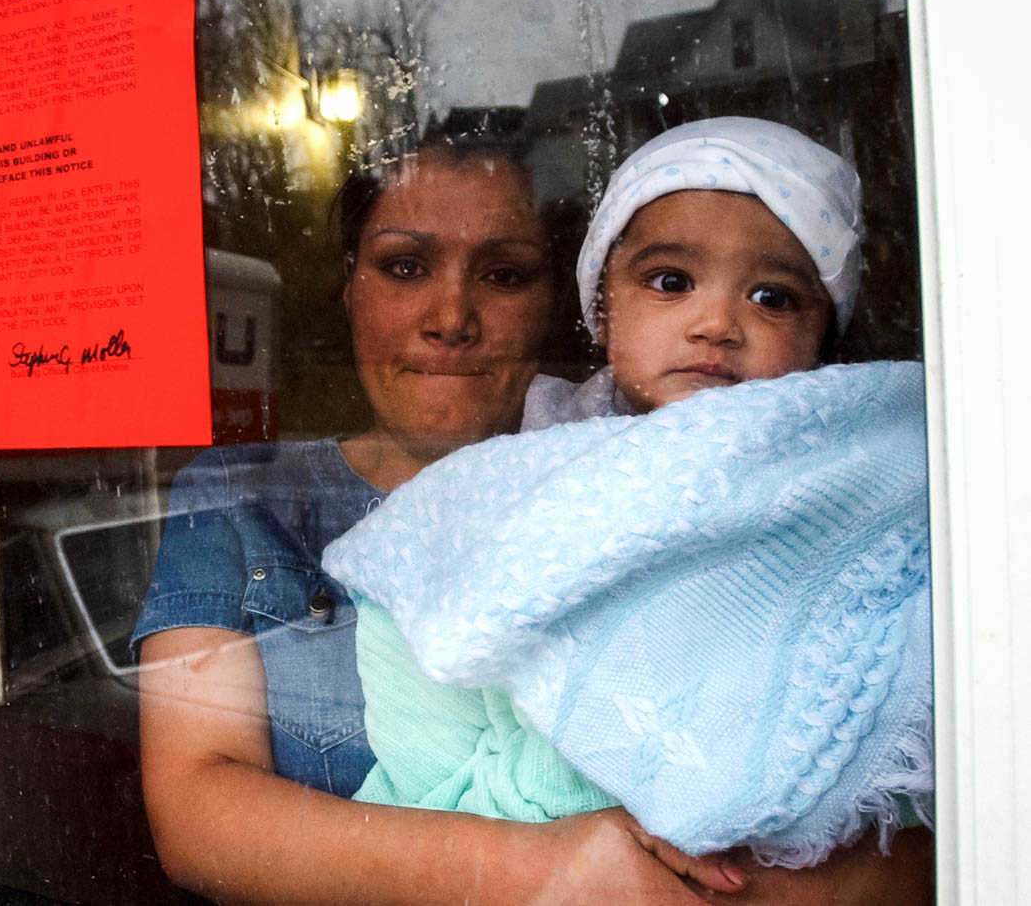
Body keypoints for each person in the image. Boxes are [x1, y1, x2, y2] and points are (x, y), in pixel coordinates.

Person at [136, 132, 931, 904]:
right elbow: (199, 817)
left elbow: (921, 836)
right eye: (405, 266)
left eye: (505, 275)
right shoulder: (246, 495)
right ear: (349, 287)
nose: (451, 316)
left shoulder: (720, 508)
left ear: (564, 305)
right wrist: (534, 871)